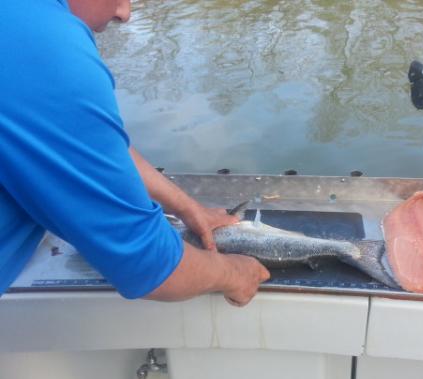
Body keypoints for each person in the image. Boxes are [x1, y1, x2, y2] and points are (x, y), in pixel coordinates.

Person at [0, 0, 270, 305]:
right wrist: (235, 273)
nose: (124, 14)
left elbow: (84, 143)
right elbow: (149, 264)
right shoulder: (45, 47)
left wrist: (188, 208)